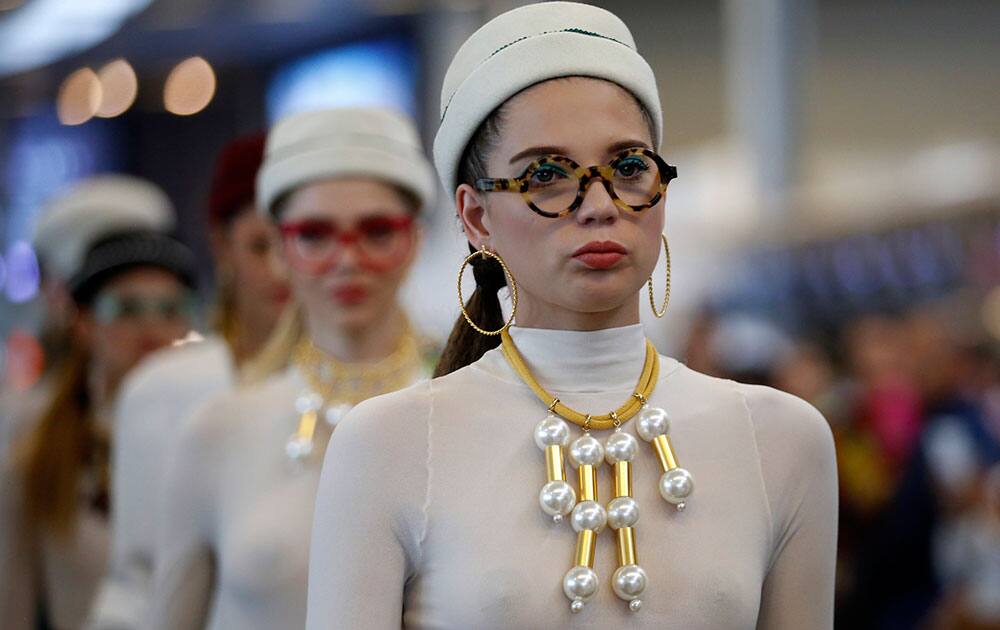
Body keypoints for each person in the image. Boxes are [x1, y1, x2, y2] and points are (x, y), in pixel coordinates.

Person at [306, 3, 838, 628]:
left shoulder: (782, 439)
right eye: (548, 175)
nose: (598, 205)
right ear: (476, 217)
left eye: (630, 167)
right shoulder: (387, 445)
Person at [145, 107, 437, 630]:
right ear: (280, 247)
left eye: (376, 231)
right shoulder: (218, 430)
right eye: (315, 235)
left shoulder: (467, 414)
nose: (347, 259)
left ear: (413, 239)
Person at [86, 134, 290, 629]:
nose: (282, 268)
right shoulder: (165, 390)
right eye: (262, 245)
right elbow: (139, 580)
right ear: (221, 245)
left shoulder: (389, 381)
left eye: (305, 239)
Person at [0, 175, 197, 630]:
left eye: (170, 309)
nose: (152, 329)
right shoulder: (35, 442)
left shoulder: (215, 429)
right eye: (124, 309)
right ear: (83, 321)